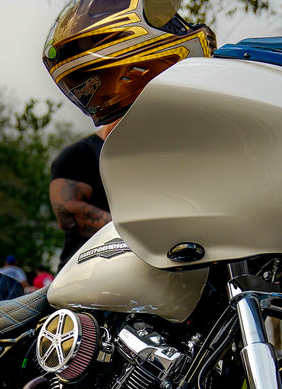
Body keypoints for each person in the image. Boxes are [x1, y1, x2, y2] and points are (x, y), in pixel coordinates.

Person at [44, 1, 214, 270]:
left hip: (162, 272)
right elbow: (69, 213)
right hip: (89, 275)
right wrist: (144, 233)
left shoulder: (160, 155)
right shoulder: (80, 155)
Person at [48, 119, 118, 271]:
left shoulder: (145, 160)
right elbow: (67, 213)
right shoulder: (80, 154)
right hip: (82, 274)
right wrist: (132, 229)